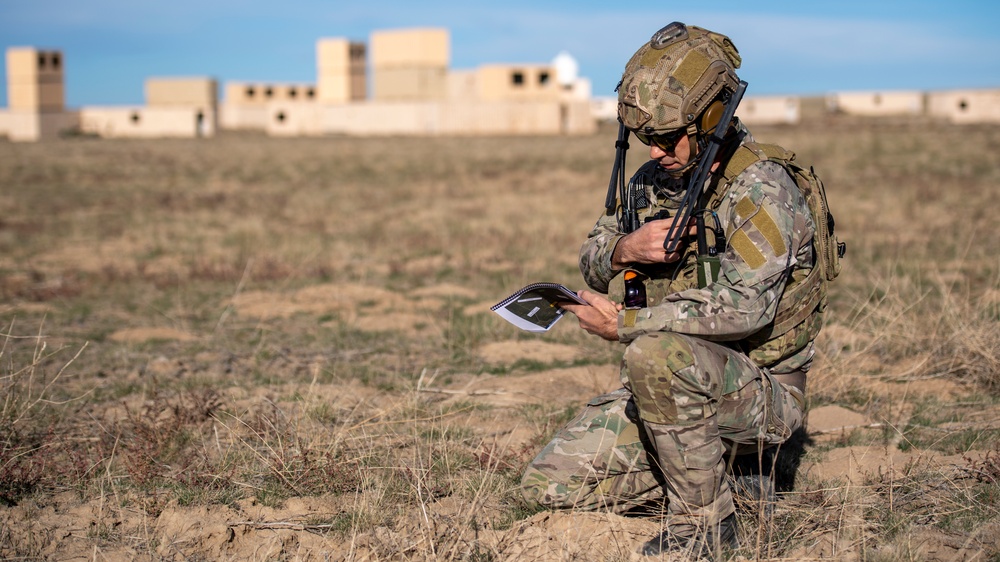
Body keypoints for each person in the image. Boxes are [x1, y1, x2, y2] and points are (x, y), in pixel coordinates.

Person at [520, 22, 828, 559]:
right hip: (670, 386)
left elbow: (745, 308)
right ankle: (720, 479)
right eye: (647, 139)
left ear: (711, 119)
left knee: (654, 354)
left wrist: (624, 325)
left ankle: (708, 525)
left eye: (668, 136)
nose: (657, 150)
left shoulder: (760, 189)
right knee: (549, 485)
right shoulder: (648, 183)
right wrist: (626, 251)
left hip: (762, 391)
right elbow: (593, 259)